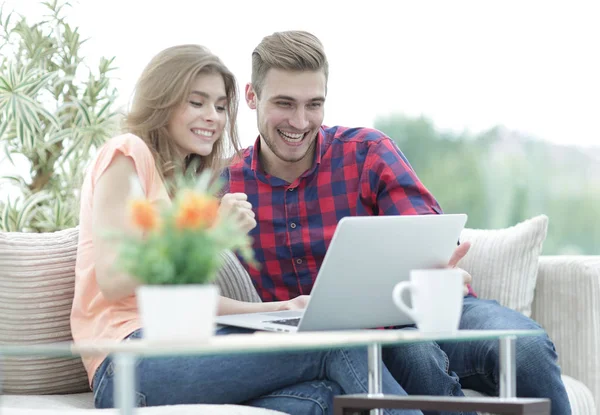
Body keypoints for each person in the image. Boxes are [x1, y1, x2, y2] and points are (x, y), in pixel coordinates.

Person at [224, 30, 571, 415]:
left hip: (423, 311)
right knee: (414, 355)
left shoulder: (368, 152)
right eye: (284, 103)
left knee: (527, 347)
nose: (301, 121)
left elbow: (426, 232)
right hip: (339, 341)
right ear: (252, 96)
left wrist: (442, 269)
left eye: (314, 104)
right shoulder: (224, 186)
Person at [70, 43, 422, 415]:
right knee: (338, 343)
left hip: (178, 345)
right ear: (163, 100)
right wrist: (208, 235)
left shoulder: (179, 192)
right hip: (128, 362)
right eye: (197, 102)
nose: (213, 116)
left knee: (324, 398)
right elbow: (113, 278)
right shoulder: (127, 153)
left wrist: (282, 307)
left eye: (221, 106)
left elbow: (189, 302)